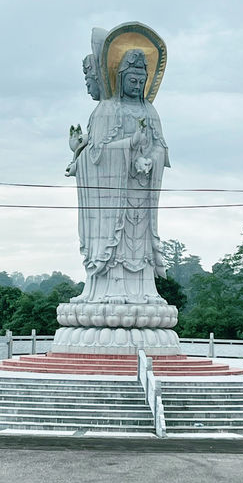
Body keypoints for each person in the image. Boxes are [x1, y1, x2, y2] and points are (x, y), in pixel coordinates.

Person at [70, 48, 169, 305]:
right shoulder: (107, 110)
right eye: (131, 80)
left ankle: (146, 290)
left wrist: (150, 159)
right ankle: (105, 289)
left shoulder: (150, 112)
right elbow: (96, 154)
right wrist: (129, 145)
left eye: (141, 81)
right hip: (115, 192)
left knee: (141, 241)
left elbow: (161, 148)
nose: (136, 86)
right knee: (116, 241)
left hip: (142, 190)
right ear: (120, 79)